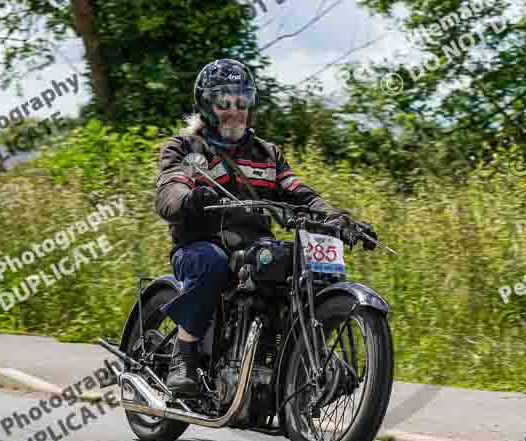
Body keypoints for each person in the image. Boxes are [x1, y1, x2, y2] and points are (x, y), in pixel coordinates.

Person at [154, 59, 377, 396]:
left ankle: (299, 362)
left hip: (254, 248)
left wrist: (339, 220)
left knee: (302, 270)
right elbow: (171, 185)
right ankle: (182, 358)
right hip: (199, 245)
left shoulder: (268, 155)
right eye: (224, 103)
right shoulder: (187, 147)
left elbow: (301, 194)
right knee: (212, 262)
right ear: (207, 106)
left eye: (242, 102)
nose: (235, 111)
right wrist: (187, 198)